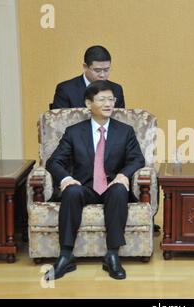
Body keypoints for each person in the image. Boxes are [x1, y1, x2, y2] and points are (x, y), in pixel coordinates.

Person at [45, 80, 145, 280]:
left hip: (110, 186)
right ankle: (65, 256)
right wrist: (66, 179)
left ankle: (112, 254)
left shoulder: (124, 131)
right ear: (89, 104)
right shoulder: (74, 132)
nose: (108, 104)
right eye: (102, 99)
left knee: (119, 190)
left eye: (111, 99)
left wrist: (123, 175)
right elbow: (54, 161)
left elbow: (137, 159)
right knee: (71, 191)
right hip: (84, 186)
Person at [51, 45, 125, 109]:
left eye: (106, 70)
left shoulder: (116, 90)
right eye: (97, 70)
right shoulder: (66, 90)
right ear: (85, 67)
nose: (102, 75)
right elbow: (59, 122)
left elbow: (120, 122)